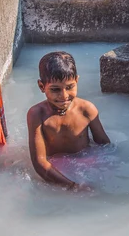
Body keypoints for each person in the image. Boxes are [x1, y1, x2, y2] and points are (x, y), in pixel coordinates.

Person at [27, 52, 111, 189]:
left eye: (69, 87)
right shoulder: (37, 114)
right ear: (41, 86)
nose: (64, 96)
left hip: (85, 164)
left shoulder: (87, 109)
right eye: (55, 89)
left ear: (77, 81)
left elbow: (105, 146)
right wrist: (72, 186)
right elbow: (39, 162)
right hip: (54, 170)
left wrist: (105, 172)